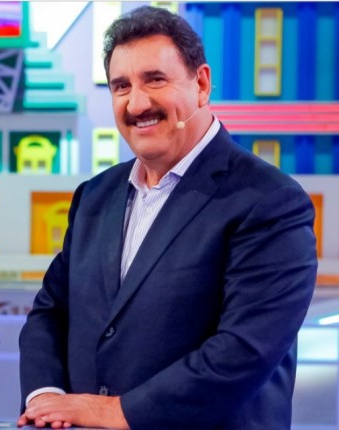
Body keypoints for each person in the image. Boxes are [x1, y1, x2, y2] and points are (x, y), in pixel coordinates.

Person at [18, 6, 316, 430]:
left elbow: (245, 350)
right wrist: (47, 396)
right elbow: (51, 312)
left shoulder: (270, 200)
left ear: (202, 85)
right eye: (121, 86)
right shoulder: (95, 196)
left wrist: (113, 411)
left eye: (155, 79)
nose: (137, 103)